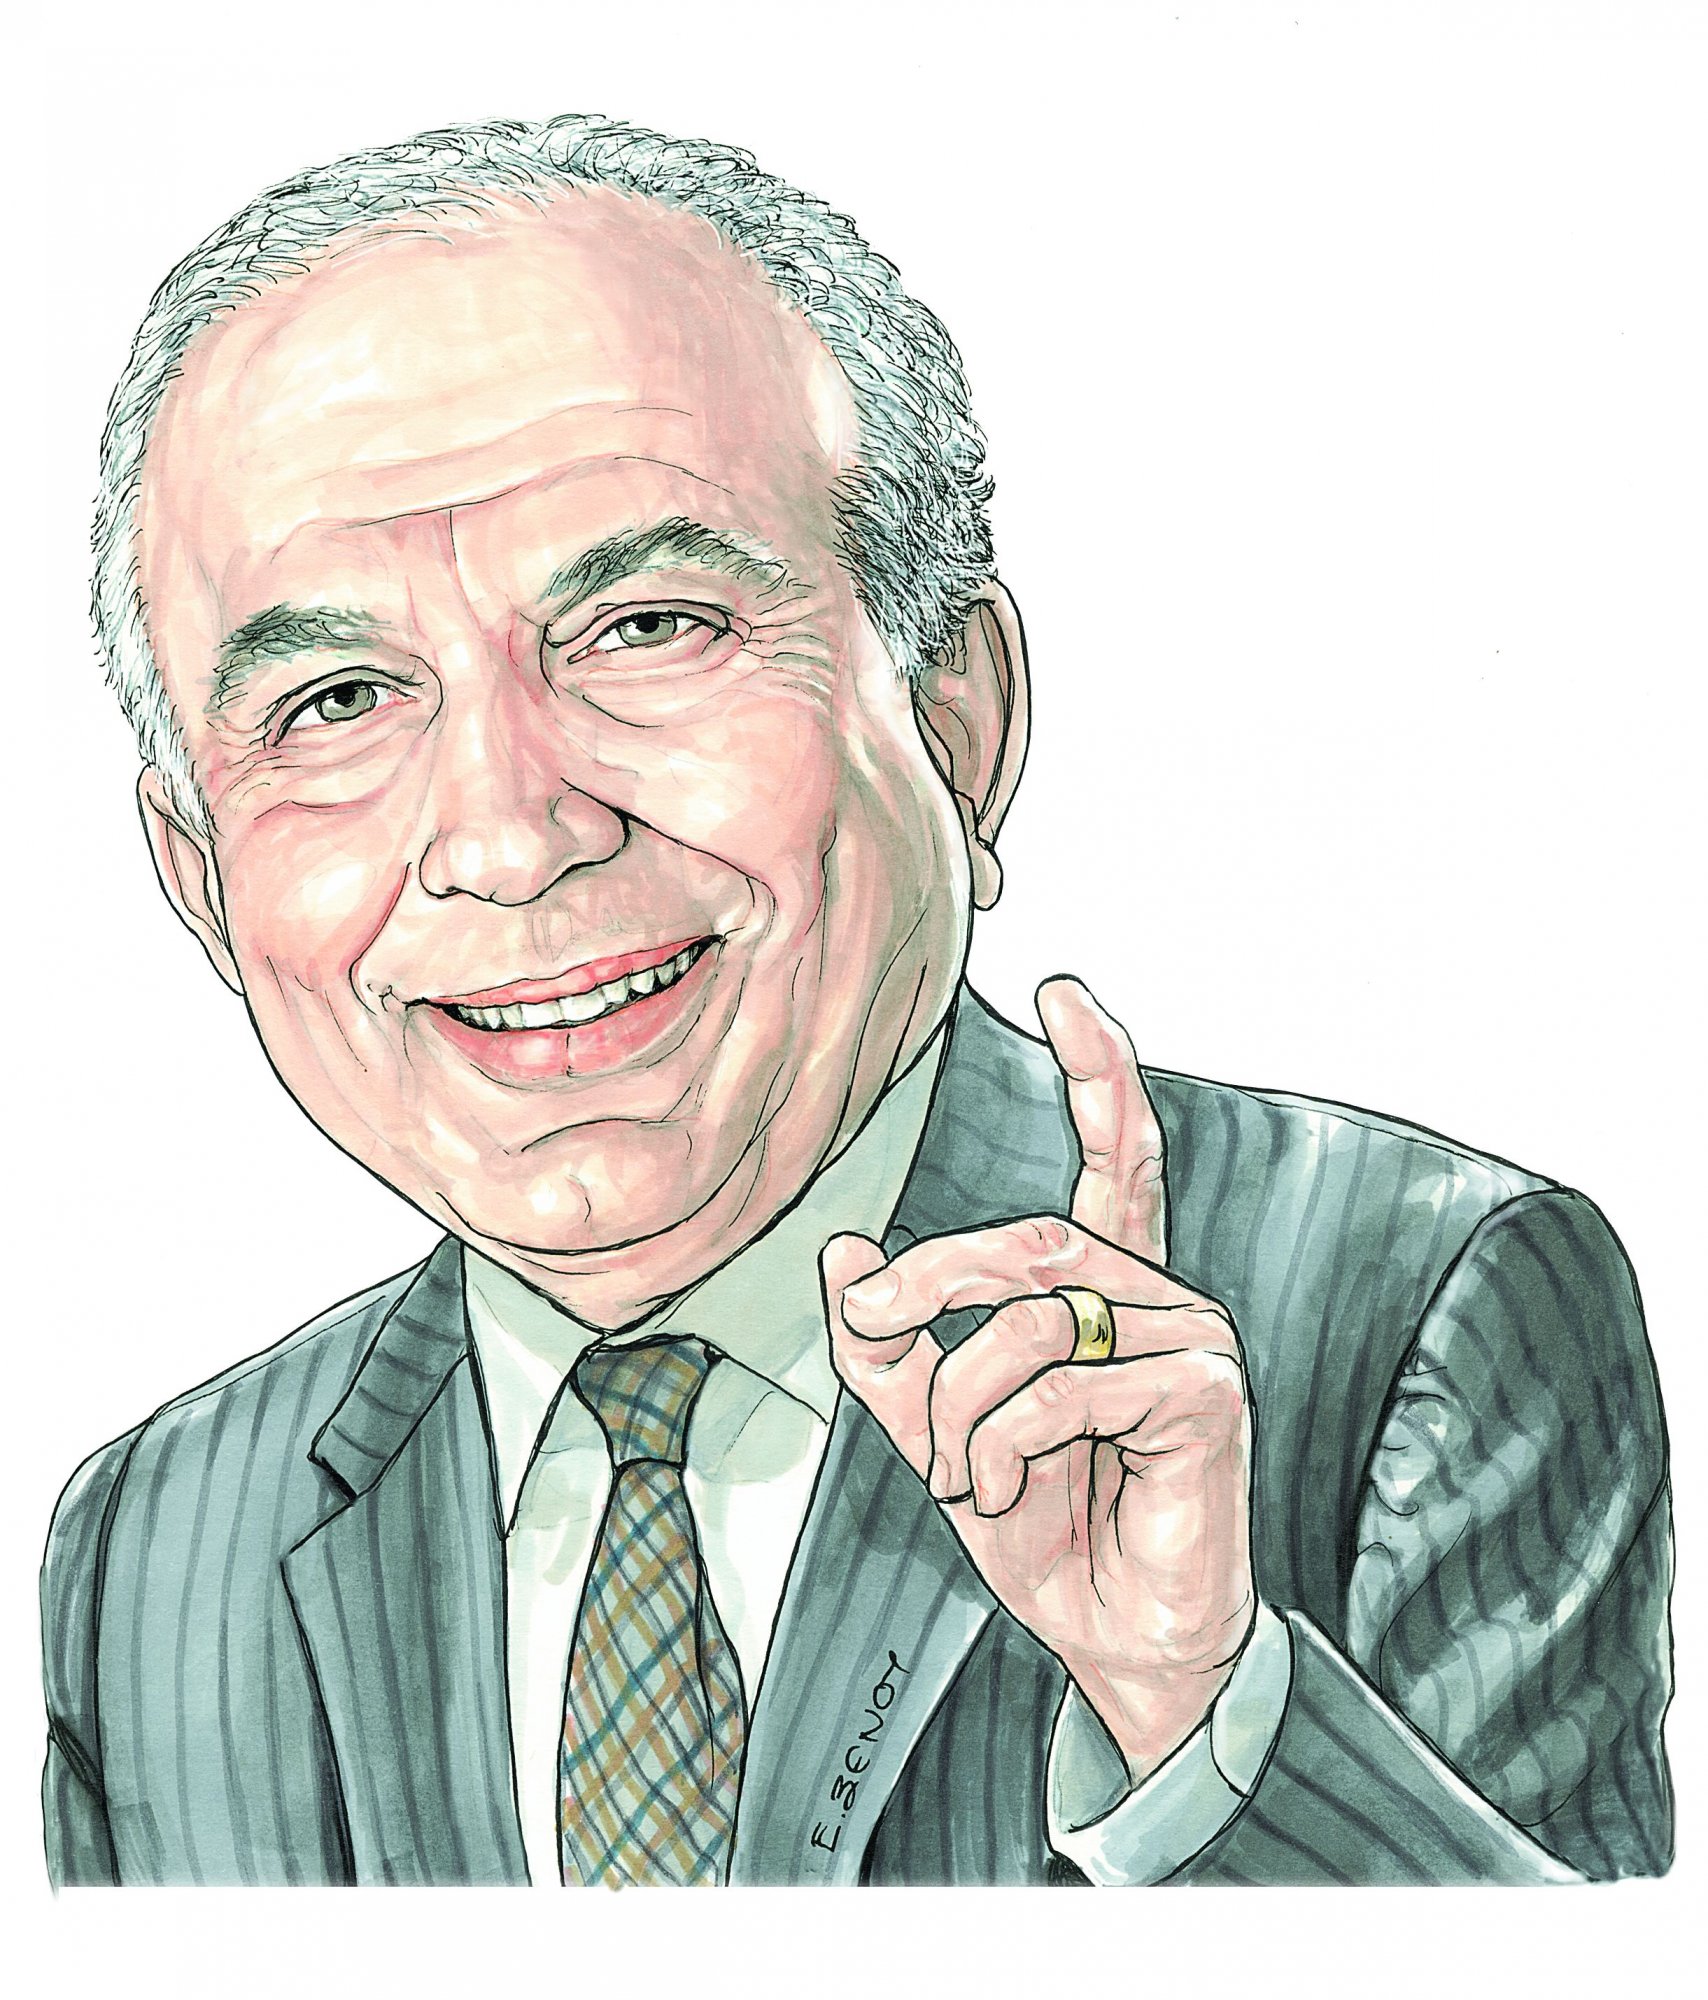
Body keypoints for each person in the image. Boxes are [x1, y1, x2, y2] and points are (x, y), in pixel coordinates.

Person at [41, 112, 1671, 1888]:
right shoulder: (154, 1554)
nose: (508, 838)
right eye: (339, 703)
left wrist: (1198, 1724)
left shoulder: (1417, 1315)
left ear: (957, 719)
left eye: (648, 628)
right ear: (199, 879)